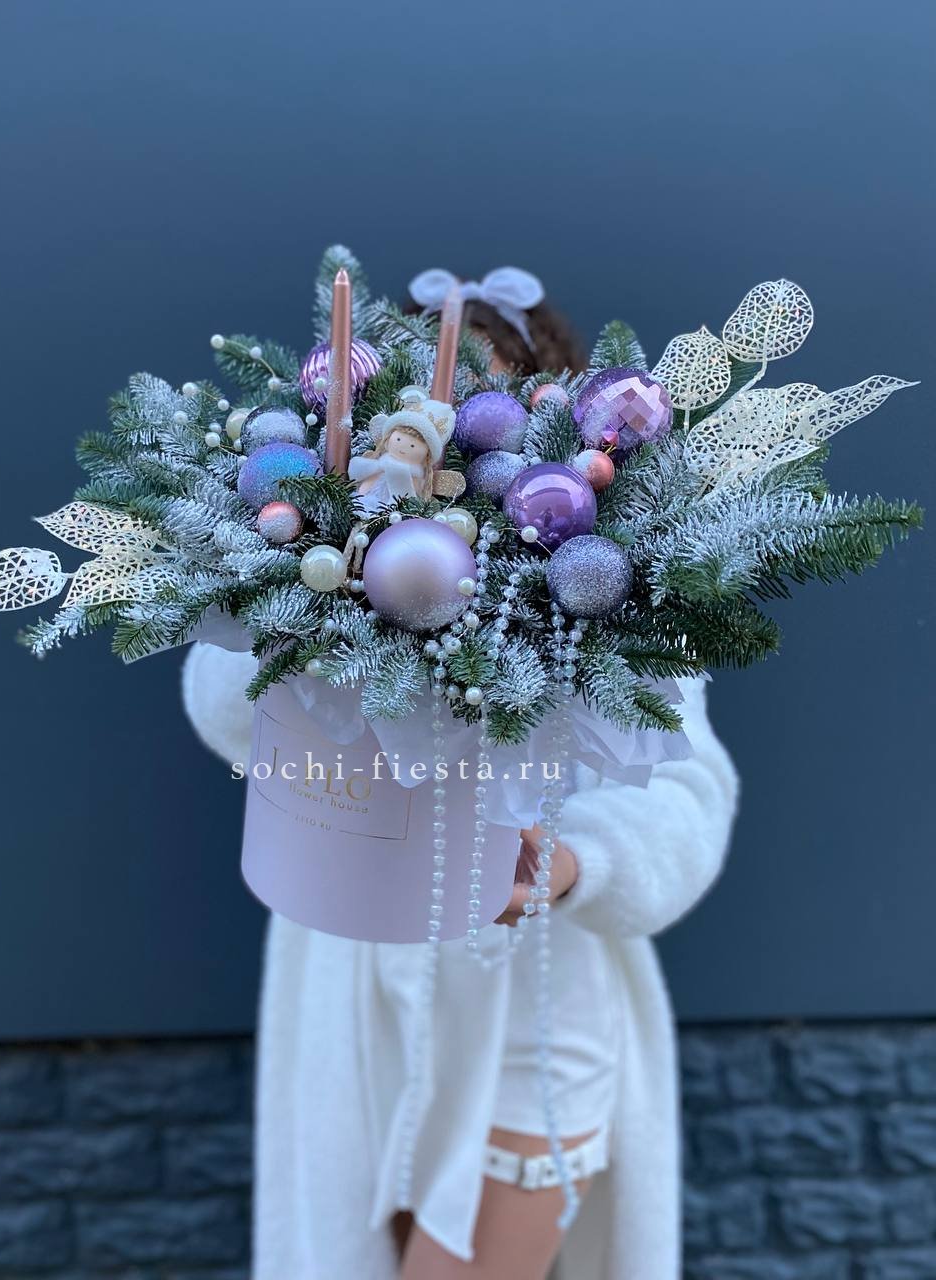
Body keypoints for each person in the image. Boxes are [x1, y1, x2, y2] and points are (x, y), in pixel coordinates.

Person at [182, 270, 739, 1280]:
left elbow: (686, 790)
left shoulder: (609, 588)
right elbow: (232, 716)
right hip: (358, 998)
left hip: (534, 999)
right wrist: (314, 622)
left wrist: (576, 863)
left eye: (494, 409)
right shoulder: (320, 568)